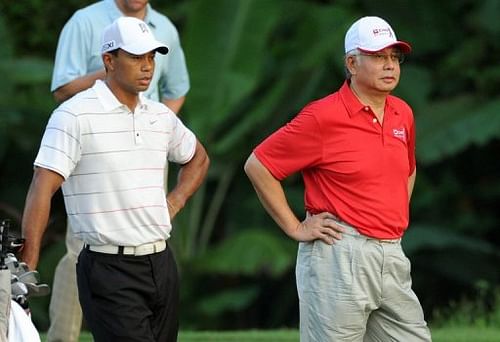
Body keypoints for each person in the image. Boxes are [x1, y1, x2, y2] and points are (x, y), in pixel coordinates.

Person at [21, 16, 209, 341]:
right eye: (136, 57)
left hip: (161, 264)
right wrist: (28, 268)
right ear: (109, 60)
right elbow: (42, 186)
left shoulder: (160, 116)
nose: (147, 66)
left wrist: (174, 203)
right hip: (107, 268)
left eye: (151, 57)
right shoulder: (73, 115)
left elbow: (198, 158)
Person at [244, 16, 432, 341]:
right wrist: (295, 227)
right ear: (351, 63)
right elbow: (258, 165)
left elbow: (408, 167)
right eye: (377, 57)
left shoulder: (403, 112)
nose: (389, 66)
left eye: (394, 57)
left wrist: (392, 214)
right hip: (338, 256)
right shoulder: (322, 116)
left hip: (391, 253)